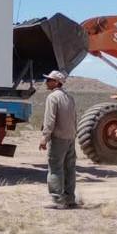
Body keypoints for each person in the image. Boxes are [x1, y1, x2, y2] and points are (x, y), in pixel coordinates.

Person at [38, 70, 77, 209]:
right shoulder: (69, 97)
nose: (46, 82)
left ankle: (56, 199)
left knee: (55, 168)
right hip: (70, 137)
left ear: (56, 82)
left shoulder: (53, 97)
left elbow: (50, 120)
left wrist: (44, 137)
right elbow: (74, 118)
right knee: (69, 169)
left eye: (49, 80)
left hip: (59, 138)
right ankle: (70, 198)